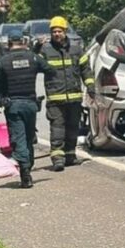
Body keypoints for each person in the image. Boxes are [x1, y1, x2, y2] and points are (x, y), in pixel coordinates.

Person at [0, 32, 52, 188]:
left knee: (19, 139)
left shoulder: (2, 61)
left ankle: (25, 172)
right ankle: (28, 166)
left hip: (14, 106)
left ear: (9, 43)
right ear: (23, 41)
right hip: (31, 105)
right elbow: (51, 70)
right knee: (29, 137)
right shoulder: (32, 57)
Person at [35, 16, 95, 171]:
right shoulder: (45, 50)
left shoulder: (76, 49)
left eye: (59, 31)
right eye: (54, 31)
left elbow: (85, 70)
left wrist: (91, 87)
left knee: (72, 128)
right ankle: (57, 159)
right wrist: (36, 48)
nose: (56, 34)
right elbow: (33, 64)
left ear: (65, 31)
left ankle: (70, 156)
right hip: (55, 98)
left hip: (74, 97)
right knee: (57, 128)